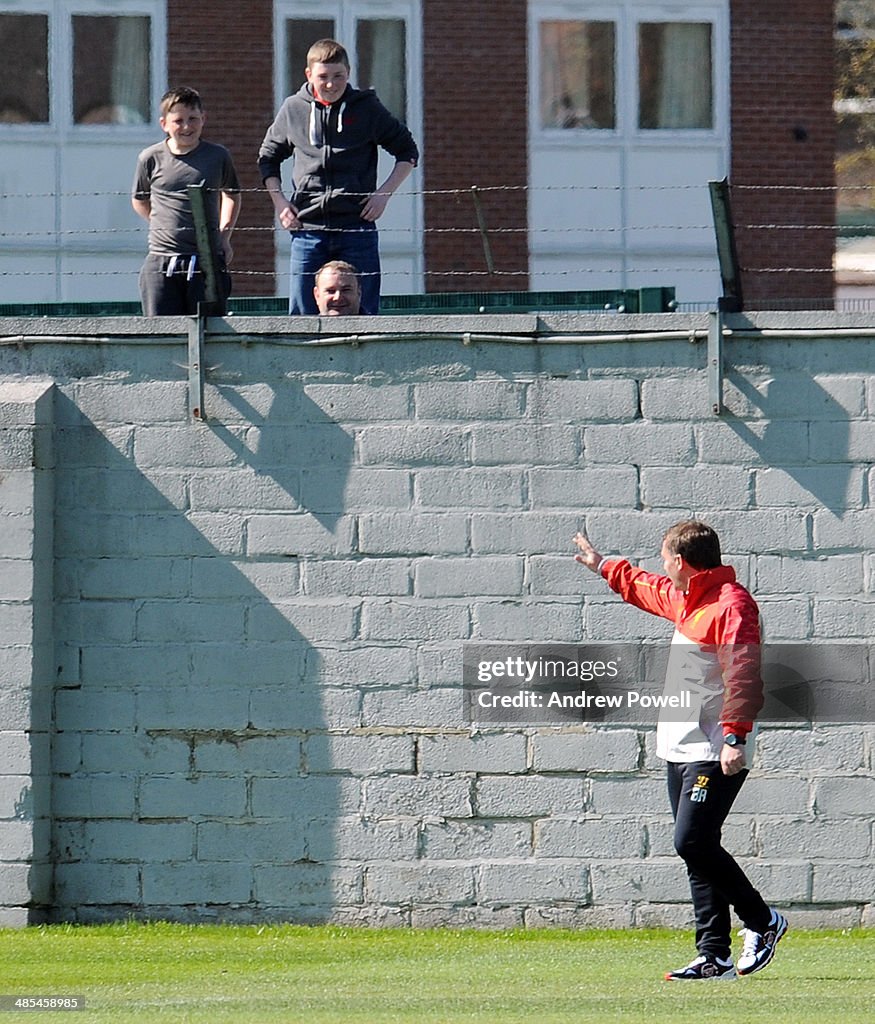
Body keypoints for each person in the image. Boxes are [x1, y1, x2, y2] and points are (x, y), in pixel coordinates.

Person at [573, 521, 788, 981]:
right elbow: (645, 588)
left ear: (681, 561)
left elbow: (744, 671)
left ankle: (763, 921)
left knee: (690, 841)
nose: (661, 565)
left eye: (664, 557)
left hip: (715, 749)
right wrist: (602, 566)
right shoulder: (688, 598)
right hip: (679, 748)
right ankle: (714, 955)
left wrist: (735, 736)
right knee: (698, 850)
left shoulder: (732, 604)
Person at [258, 38, 418, 316]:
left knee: (365, 310)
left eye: (338, 76)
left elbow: (408, 152)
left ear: (348, 74)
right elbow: (267, 159)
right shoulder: (293, 109)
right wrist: (281, 203)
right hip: (307, 228)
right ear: (309, 75)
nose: (331, 84)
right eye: (323, 77)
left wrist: (383, 194)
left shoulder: (366, 108)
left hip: (357, 226)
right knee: (303, 313)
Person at [132, 87, 241, 316]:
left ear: (203, 119)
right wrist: (161, 220)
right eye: (178, 120)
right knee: (162, 334)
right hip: (163, 259)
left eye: (193, 119)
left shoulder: (217, 156)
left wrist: (224, 236)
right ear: (164, 124)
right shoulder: (150, 158)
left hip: (205, 261)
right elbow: (140, 200)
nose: (186, 127)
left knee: (209, 333)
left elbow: (231, 195)